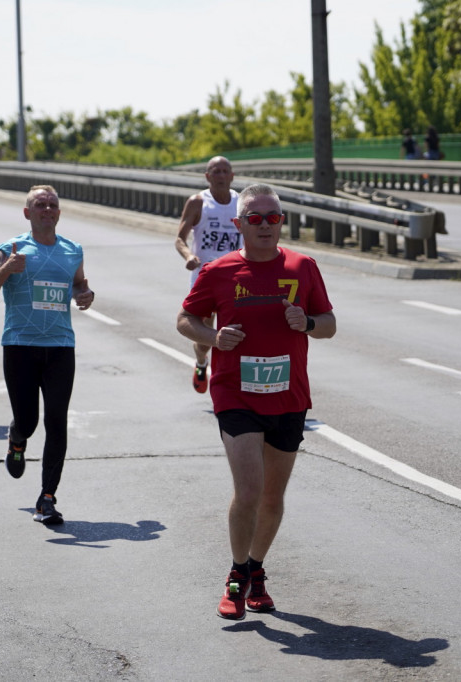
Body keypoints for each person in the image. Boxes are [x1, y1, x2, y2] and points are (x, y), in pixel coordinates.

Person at [176, 183, 336, 621]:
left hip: (288, 394)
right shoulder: (219, 271)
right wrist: (212, 337)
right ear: (238, 224)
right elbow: (185, 319)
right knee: (248, 491)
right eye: (256, 218)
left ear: (282, 222)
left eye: (273, 218)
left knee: (271, 496)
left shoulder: (303, 267)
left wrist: (306, 323)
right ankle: (235, 573)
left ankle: (257, 570)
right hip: (235, 393)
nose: (266, 226)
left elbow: (329, 325)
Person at [0, 185, 95, 526]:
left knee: (57, 421)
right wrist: (6, 270)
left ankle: (47, 498)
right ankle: (16, 439)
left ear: (59, 212)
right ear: (27, 213)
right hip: (20, 345)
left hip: (60, 346)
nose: (47, 209)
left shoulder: (72, 250)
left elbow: (79, 285)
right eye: (39, 205)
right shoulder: (11, 249)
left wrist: (85, 294)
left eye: (52, 205)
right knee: (28, 422)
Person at [174, 155, 241, 394]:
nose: (221, 176)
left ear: (232, 176)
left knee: (240, 333)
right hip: (206, 279)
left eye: (225, 171)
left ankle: (232, 384)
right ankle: (201, 362)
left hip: (237, 279)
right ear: (207, 176)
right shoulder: (198, 202)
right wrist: (189, 257)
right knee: (205, 340)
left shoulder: (242, 203)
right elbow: (180, 239)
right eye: (216, 171)